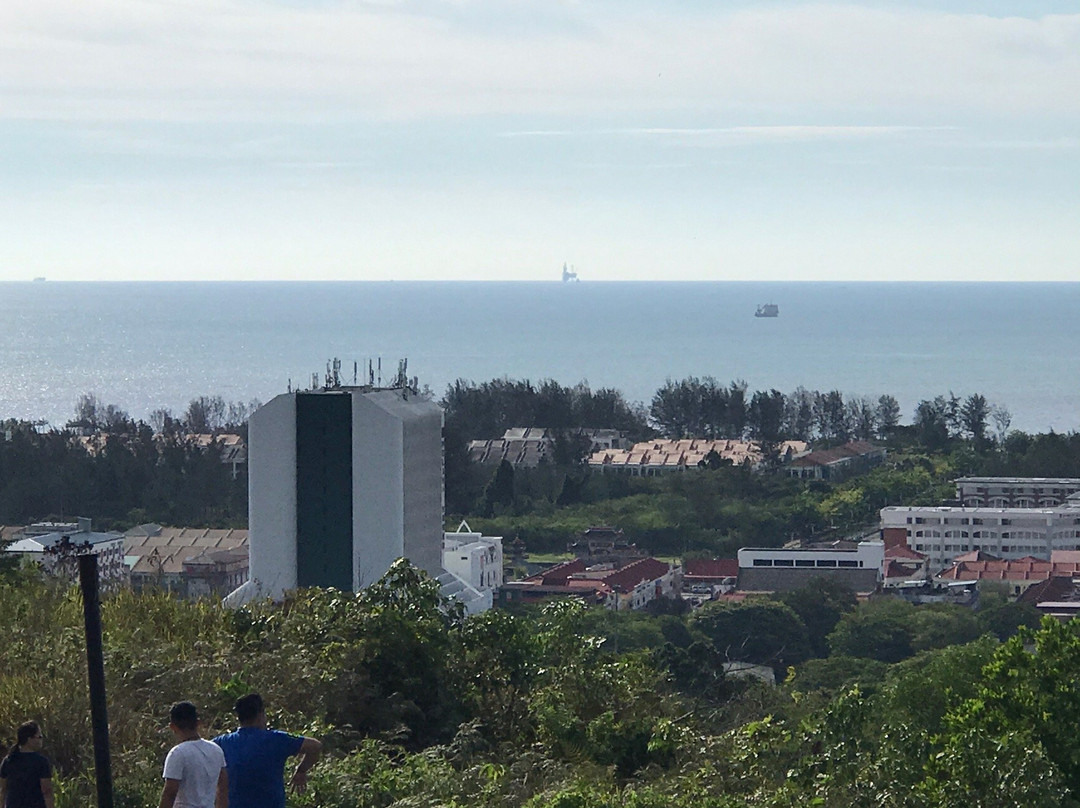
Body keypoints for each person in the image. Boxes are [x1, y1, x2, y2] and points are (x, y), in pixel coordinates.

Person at [213, 693, 322, 808]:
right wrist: (301, 770)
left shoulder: (222, 743)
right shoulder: (277, 739)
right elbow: (315, 746)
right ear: (260, 715)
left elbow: (200, 751)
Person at [159, 702, 227, 808]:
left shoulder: (178, 753)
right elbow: (223, 785)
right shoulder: (216, 750)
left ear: (173, 727)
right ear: (198, 723)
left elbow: (170, 792)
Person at [0, 722, 53, 808]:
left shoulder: (8, 760)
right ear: (29, 739)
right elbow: (46, 791)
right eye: (39, 737)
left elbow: (3, 790)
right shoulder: (41, 762)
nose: (41, 740)